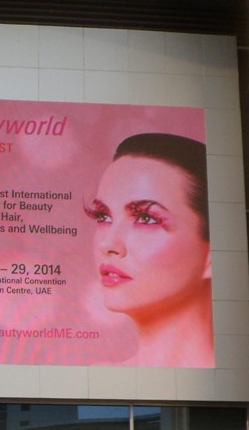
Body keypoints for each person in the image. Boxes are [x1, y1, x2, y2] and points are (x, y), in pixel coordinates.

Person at [86, 133, 212, 367]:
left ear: (213, 254)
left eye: (146, 218)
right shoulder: (93, 381)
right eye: (103, 216)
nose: (108, 244)